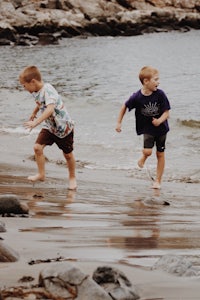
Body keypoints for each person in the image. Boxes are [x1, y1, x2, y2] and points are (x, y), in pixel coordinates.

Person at [19, 65, 77, 190]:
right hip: (50, 127)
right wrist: (34, 112)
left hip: (63, 128)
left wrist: (36, 122)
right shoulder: (36, 91)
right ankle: (41, 174)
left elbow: (50, 109)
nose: (24, 88)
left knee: (68, 155)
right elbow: (40, 102)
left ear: (33, 81)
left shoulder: (48, 90)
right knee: (37, 147)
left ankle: (72, 178)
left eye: (24, 85)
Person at [115, 66, 171, 189]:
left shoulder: (160, 94)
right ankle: (144, 157)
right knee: (148, 151)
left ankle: (158, 181)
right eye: (155, 79)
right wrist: (119, 122)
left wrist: (160, 120)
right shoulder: (137, 97)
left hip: (161, 129)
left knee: (160, 154)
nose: (158, 82)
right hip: (147, 128)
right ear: (146, 81)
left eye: (158, 79)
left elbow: (167, 112)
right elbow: (124, 106)